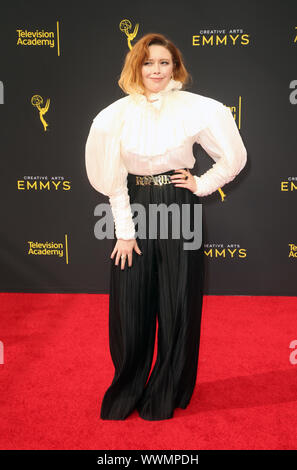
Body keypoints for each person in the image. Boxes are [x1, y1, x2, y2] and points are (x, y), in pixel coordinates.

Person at [85, 33, 247, 421]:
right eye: (148, 62)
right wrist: (124, 232)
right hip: (136, 205)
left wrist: (202, 184)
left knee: (178, 301)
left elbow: (233, 157)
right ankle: (127, 388)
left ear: (175, 67)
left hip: (179, 205)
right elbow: (115, 179)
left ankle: (168, 389)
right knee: (130, 304)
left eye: (164, 63)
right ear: (135, 67)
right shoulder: (115, 116)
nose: (156, 70)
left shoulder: (198, 108)